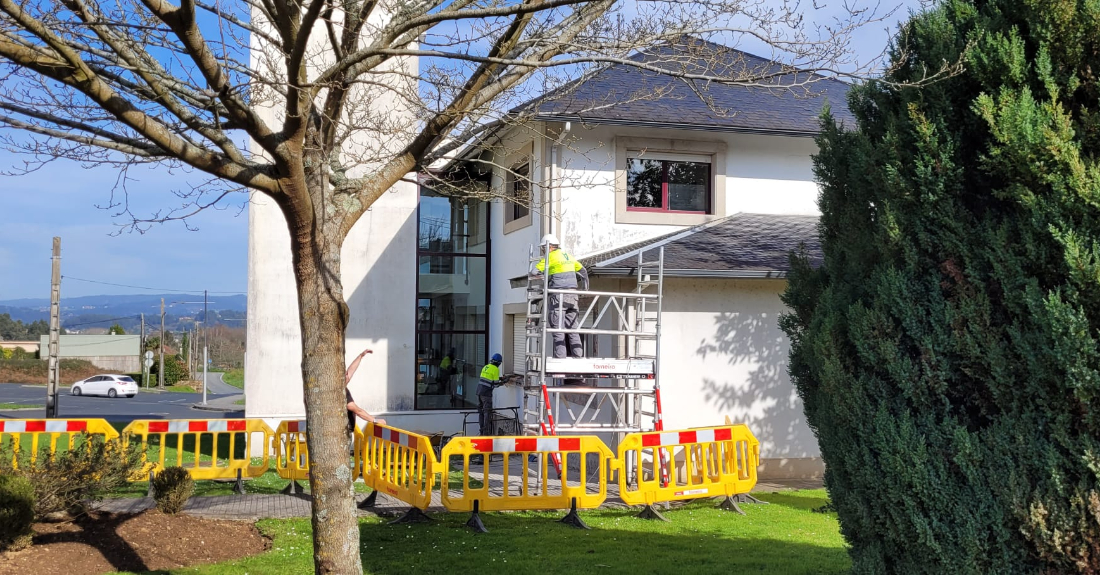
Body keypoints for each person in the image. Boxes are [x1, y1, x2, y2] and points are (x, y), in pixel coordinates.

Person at [535, 233, 589, 358]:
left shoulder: (550, 258)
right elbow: (583, 271)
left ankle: (560, 358)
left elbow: (534, 272)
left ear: (549, 247)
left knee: (557, 329)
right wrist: (585, 289)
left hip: (558, 297)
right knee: (572, 328)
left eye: (543, 248)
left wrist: (544, 281)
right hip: (573, 296)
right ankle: (578, 357)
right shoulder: (568, 256)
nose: (543, 251)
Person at [345, 347, 386, 432]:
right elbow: (357, 410)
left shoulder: (341, 387)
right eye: (345, 375)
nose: (347, 376)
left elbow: (350, 371)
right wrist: (375, 420)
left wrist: (361, 356)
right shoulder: (343, 393)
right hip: (344, 431)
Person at [477, 353, 508, 436]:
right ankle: (485, 433)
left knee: (481, 412)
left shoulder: (486, 367)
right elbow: (496, 384)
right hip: (486, 394)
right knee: (487, 412)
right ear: (498, 363)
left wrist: (500, 378)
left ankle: (481, 431)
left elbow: (489, 378)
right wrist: (504, 382)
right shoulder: (495, 369)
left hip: (479, 392)